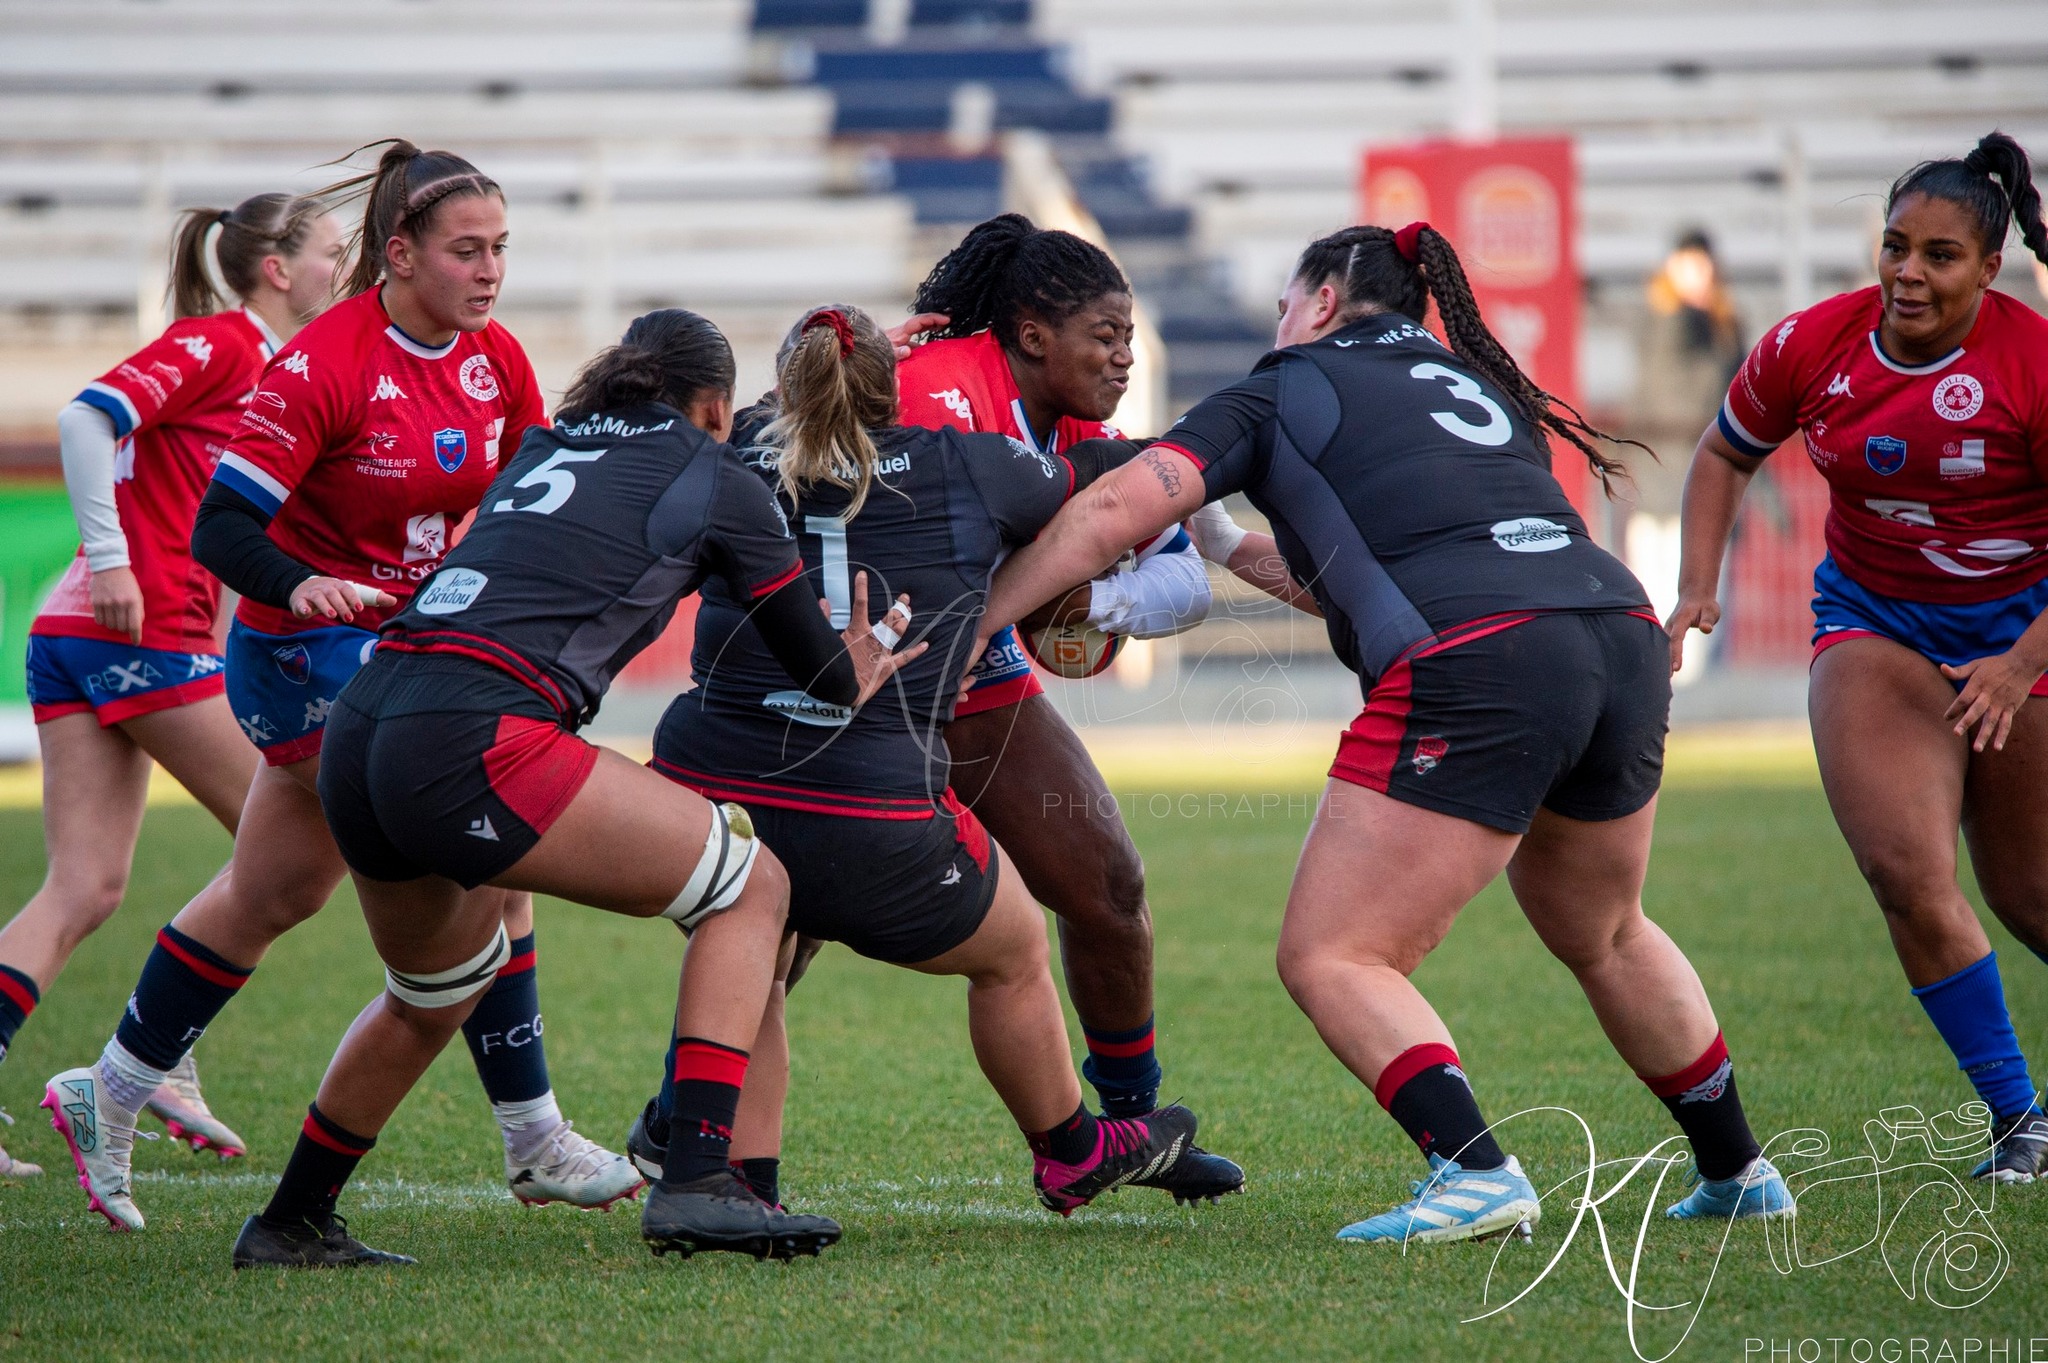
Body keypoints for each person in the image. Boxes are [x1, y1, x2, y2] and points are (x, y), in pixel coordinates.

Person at [971, 221, 1796, 1243]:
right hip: (1610, 629)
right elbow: (1371, 578)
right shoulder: (1470, 382)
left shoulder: (1282, 382)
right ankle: (1737, 1166)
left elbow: (1108, 512)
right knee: (1605, 928)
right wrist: (1226, 545)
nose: (1281, 320)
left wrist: (980, 618)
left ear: (1319, 300)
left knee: (1334, 953)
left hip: (1481, 659)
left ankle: (1473, 1169)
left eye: (1286, 299)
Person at [232, 307, 922, 1267]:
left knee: (434, 991)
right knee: (753, 883)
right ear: (717, 405)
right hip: (479, 730)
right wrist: (865, 660)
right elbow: (826, 679)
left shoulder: (547, 443)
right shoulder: (719, 475)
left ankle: (290, 1218)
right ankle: (697, 1180)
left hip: (363, 721)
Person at [41, 140, 634, 1231]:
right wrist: (304, 583)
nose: (490, 270)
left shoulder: (492, 356)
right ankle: (532, 1131)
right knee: (491, 853)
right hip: (301, 660)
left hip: (401, 649)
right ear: (398, 254)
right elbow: (224, 526)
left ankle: (109, 1086)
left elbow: (520, 494)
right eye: (466, 250)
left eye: (501, 248)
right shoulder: (322, 363)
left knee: (273, 890)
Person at [639, 304, 1213, 1225]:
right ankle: (1072, 1149)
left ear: (784, 389)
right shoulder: (967, 464)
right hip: (869, 808)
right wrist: (1218, 445)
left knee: (755, 942)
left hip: (707, 794)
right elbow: (1110, 482)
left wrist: (811, 383)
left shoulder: (732, 448)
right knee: (1019, 949)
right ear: (893, 388)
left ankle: (726, 1176)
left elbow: (755, 425)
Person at [1669, 132, 2048, 1182]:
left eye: (1937, 256)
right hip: (1873, 620)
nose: (1906, 273)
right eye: (1893, 246)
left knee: (2026, 896)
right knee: (1902, 870)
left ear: (1988, 268)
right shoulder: (1811, 343)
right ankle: (2019, 1118)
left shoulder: (2032, 363)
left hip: (2025, 634)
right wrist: (1696, 584)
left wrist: (2015, 668)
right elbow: (1721, 452)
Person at [867, 214, 1257, 1198]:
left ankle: (1130, 1126)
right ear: (1032, 332)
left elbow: (1190, 568)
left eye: (1129, 338)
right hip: (856, 662)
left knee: (1108, 886)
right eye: (1107, 335)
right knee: (793, 904)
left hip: (969, 660)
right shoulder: (934, 384)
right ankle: (682, 1129)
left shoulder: (1076, 421)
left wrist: (1097, 600)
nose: (1125, 357)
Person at [0, 194, 343, 1177]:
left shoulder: (282, 377)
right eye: (327, 253)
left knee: (84, 887)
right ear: (275, 269)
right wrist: (110, 560)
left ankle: (160, 1058)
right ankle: (163, 1058)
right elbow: (84, 416)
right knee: (290, 850)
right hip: (132, 632)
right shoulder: (223, 345)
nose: (338, 271)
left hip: (96, 639)